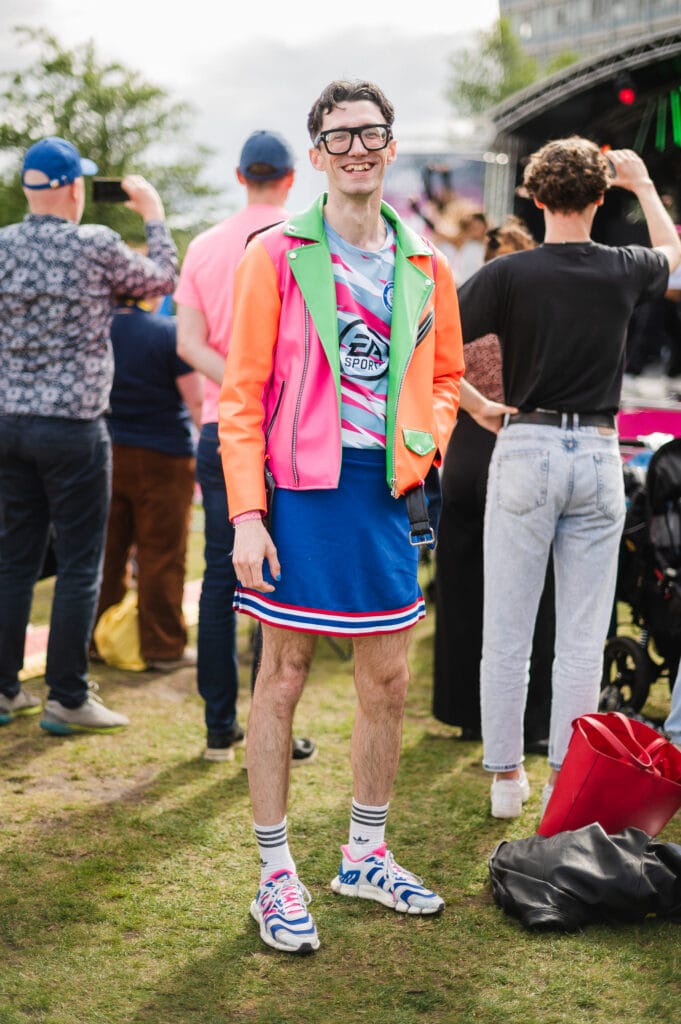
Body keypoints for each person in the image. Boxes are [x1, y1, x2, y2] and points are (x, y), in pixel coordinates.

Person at [218, 79, 464, 953]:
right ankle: (273, 875)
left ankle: (364, 853)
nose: (357, 147)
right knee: (281, 675)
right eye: (338, 135)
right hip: (300, 494)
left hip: (386, 492)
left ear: (391, 146)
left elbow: (444, 378)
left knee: (388, 681)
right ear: (315, 154)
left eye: (371, 132)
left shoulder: (427, 261)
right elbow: (240, 398)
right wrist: (249, 514)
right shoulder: (274, 253)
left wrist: (422, 441)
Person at [457, 140, 681, 819]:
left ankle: (504, 781)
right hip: (596, 454)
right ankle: (562, 778)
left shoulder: (507, 275)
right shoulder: (622, 267)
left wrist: (475, 405)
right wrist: (644, 188)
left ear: (532, 197)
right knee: (581, 636)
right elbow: (675, 259)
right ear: (599, 198)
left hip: (524, 446)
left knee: (508, 627)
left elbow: (426, 340)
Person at [0, 136, 177, 734]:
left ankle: (4, 690)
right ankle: (67, 695)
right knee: (81, 564)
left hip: (9, 424)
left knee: (14, 561)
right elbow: (160, 282)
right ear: (75, 189)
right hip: (74, 427)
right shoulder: (95, 244)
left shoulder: (2, 247)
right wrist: (152, 217)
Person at [175, 130, 316, 764]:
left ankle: (217, 730)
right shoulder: (306, 240)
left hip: (216, 428)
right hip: (286, 431)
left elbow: (188, 342)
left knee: (216, 578)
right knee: (275, 584)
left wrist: (234, 383)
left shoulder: (204, 245)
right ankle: (270, 729)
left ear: (240, 176)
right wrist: (258, 387)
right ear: (291, 178)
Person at [433, 217, 553, 751]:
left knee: (462, 585)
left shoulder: (466, 305)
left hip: (466, 451)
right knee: (533, 588)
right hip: (523, 445)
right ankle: (530, 720)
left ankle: (466, 711)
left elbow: (431, 362)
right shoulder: (544, 313)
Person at [94, 293, 202, 671]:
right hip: (164, 455)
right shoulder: (166, 331)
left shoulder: (96, 326)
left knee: (106, 550)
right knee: (162, 552)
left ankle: (96, 638)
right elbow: (196, 401)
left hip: (106, 450)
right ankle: (162, 647)